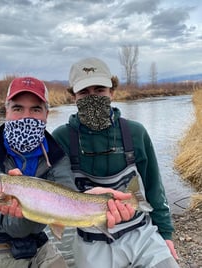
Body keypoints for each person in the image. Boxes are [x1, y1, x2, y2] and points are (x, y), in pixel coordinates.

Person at [0, 76, 134, 268]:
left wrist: (96, 202)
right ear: (6, 111)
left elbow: (68, 202)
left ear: (46, 114)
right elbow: (14, 226)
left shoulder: (56, 156)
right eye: (18, 108)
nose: (26, 116)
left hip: (34, 238)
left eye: (35, 109)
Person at [51, 57, 180, 268]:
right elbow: (56, 191)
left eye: (100, 90)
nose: (93, 98)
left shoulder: (136, 133)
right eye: (84, 92)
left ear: (112, 91)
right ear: (73, 96)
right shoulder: (61, 139)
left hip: (141, 233)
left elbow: (154, 187)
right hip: (90, 240)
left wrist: (166, 234)